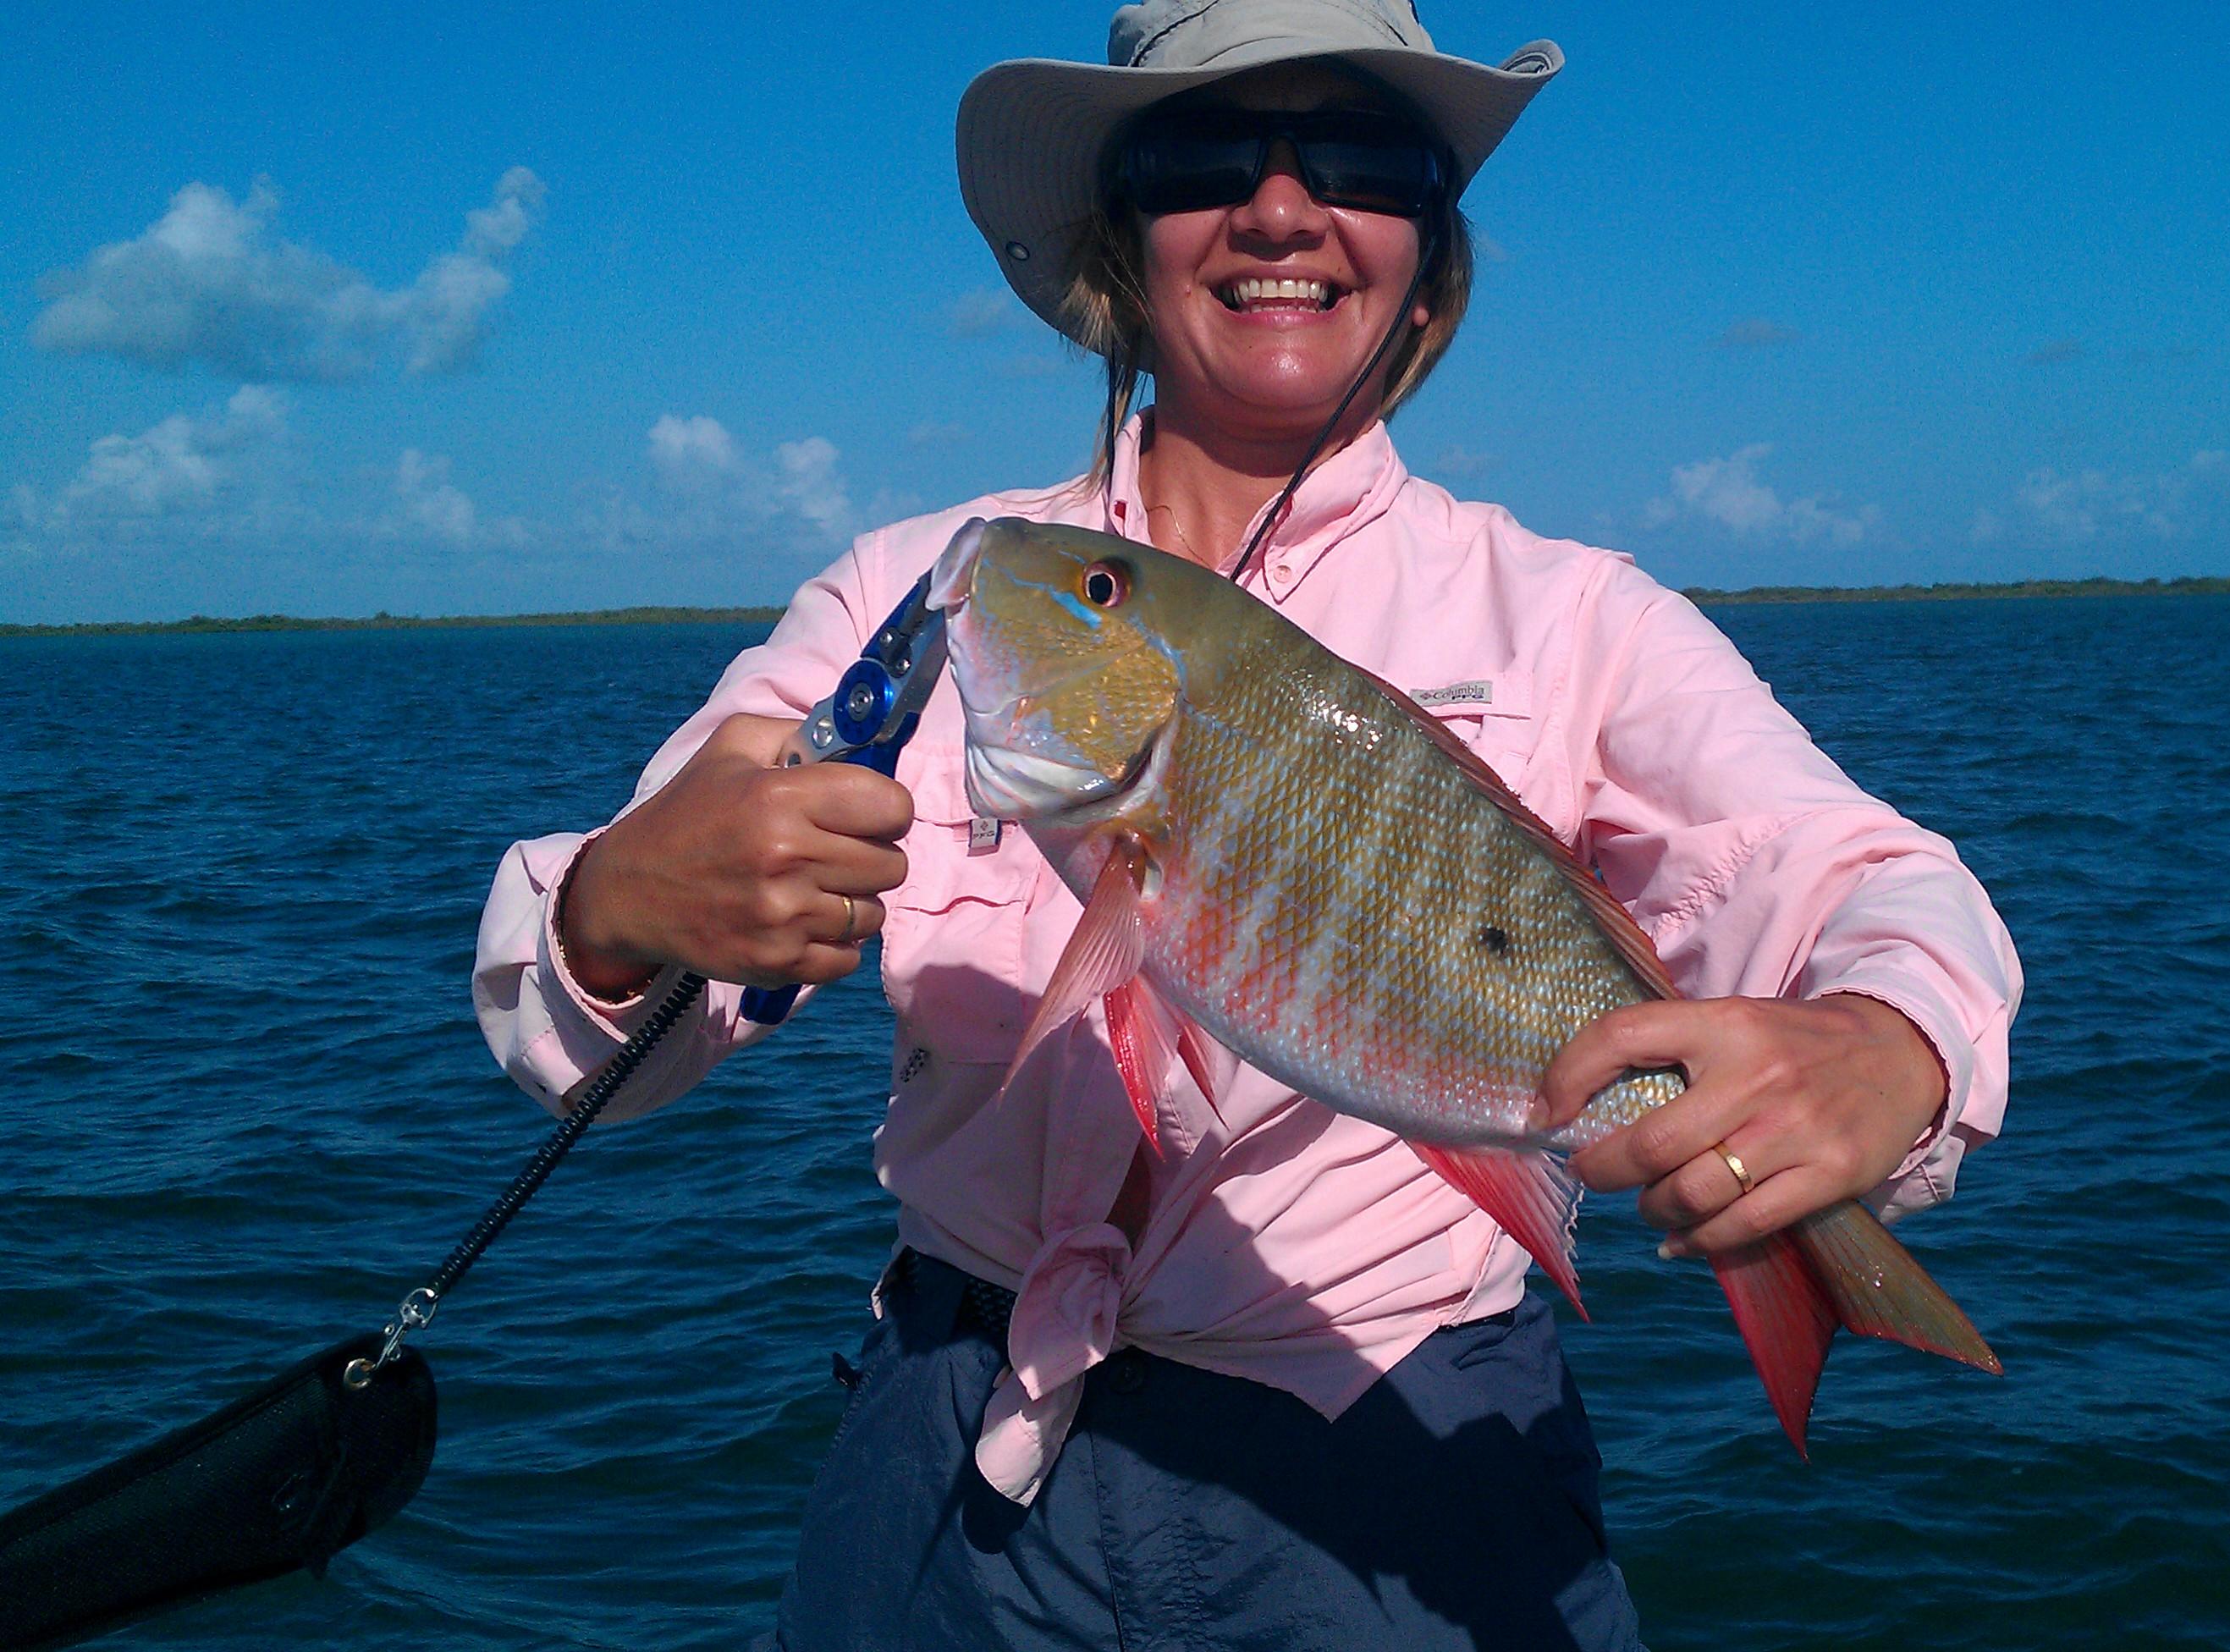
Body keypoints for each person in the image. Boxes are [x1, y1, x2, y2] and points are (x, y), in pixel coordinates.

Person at [473, 3, 2023, 1646]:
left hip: (1403, 1447)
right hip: (951, 1428)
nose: (1281, 209)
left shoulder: (1575, 618)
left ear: (1428, 253)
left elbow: (1858, 878)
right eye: (1205, 155)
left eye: (1360, 159)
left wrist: (1883, 1042)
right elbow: (612, 1035)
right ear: (1118, 237)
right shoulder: (932, 592)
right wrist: (619, 908)